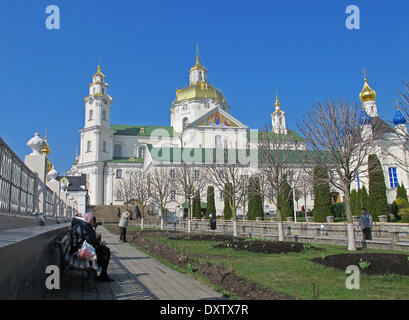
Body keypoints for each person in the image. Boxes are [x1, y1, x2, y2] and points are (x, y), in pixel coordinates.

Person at [71, 212, 114, 282]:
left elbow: (90, 238)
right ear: (89, 219)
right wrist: (100, 243)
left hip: (80, 247)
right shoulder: (82, 225)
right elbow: (90, 240)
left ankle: (100, 273)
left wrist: (99, 243)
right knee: (105, 251)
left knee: (104, 250)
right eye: (92, 220)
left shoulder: (81, 224)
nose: (93, 222)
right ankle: (103, 275)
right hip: (79, 250)